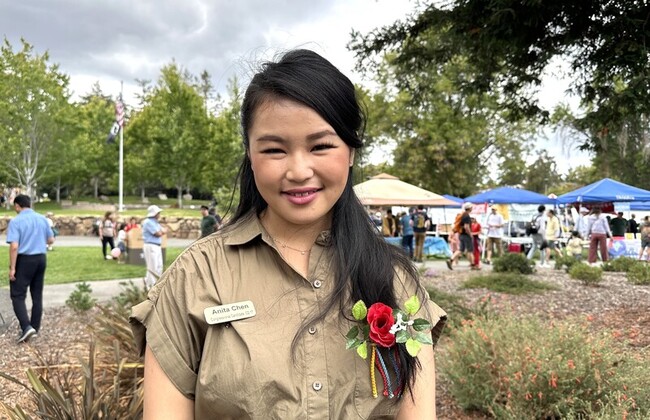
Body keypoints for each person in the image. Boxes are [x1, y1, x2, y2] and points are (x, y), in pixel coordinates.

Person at [130, 49, 446, 419]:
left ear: (351, 151)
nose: (298, 171)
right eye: (275, 149)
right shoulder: (194, 277)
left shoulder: (398, 281)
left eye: (321, 146)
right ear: (250, 154)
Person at [6, 194, 54, 343]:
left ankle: (26, 327)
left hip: (25, 259)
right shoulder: (42, 219)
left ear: (17, 206)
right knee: (37, 294)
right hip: (41, 257)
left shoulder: (16, 221)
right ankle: (35, 327)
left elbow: (14, 246)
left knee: (18, 294)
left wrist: (12, 268)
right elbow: (51, 239)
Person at [142, 205, 166, 288]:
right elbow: (158, 233)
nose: (159, 214)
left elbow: (164, 231)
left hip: (156, 245)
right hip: (151, 245)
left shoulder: (155, 222)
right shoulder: (148, 222)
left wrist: (161, 231)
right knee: (152, 267)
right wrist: (161, 232)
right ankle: (150, 286)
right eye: (158, 213)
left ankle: (155, 284)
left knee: (159, 266)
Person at [447, 202, 477, 270]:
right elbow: (466, 227)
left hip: (461, 234)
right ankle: (473, 264)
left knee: (460, 250)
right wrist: (470, 234)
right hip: (466, 235)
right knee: (470, 250)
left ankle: (451, 260)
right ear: (469, 208)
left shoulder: (462, 215)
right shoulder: (467, 216)